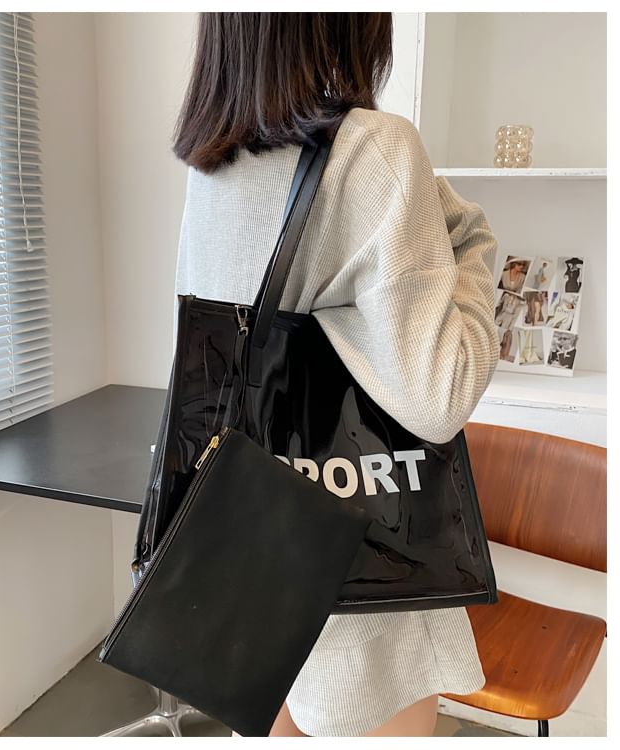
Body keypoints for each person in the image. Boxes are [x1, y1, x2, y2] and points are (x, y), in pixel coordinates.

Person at [172, 13, 499, 738]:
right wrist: (473, 245)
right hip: (358, 567)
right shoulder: (375, 150)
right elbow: (441, 394)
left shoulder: (210, 162)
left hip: (247, 542)